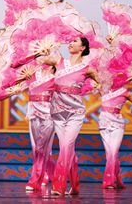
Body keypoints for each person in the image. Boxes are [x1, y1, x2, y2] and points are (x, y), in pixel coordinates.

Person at [41, 37, 99, 196]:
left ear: (83, 48)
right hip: (58, 113)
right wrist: (42, 53)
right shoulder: (58, 61)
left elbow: (105, 83)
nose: (70, 43)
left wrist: (100, 85)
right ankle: (75, 185)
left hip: (75, 113)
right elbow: (40, 60)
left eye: (75, 41)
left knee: (65, 147)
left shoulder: (88, 69)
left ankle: (59, 186)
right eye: (70, 41)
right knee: (69, 151)